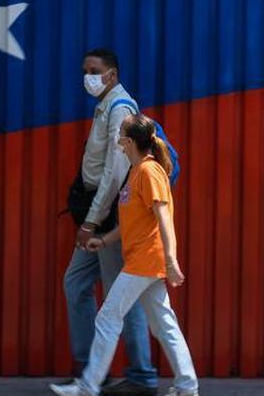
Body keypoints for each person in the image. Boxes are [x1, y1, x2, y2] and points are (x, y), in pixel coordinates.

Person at [52, 114, 200, 396]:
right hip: (142, 259)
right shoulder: (136, 171)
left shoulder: (148, 172)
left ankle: (87, 386)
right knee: (163, 323)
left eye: (120, 133)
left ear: (129, 142)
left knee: (108, 318)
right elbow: (131, 223)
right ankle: (187, 387)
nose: (117, 138)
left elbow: (163, 218)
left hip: (146, 260)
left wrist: (171, 260)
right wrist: (103, 241)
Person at [61, 49, 159, 396]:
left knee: (121, 294)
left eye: (95, 71)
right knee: (75, 284)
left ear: (112, 75)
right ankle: (92, 370)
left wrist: (91, 221)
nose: (88, 77)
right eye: (85, 70)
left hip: (108, 214)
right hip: (96, 211)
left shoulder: (120, 109)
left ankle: (141, 375)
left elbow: (115, 173)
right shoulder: (104, 106)